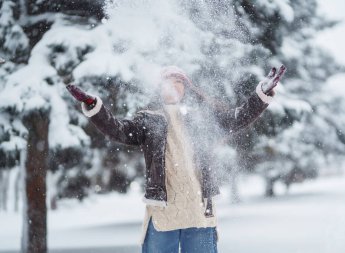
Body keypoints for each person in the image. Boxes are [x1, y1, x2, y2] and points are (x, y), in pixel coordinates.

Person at [66, 65, 286, 253]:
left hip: (199, 207)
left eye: (179, 81)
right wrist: (95, 108)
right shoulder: (148, 119)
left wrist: (260, 96)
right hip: (164, 208)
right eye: (168, 81)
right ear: (159, 88)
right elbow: (118, 130)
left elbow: (237, 118)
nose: (173, 86)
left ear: (187, 88)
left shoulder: (203, 116)